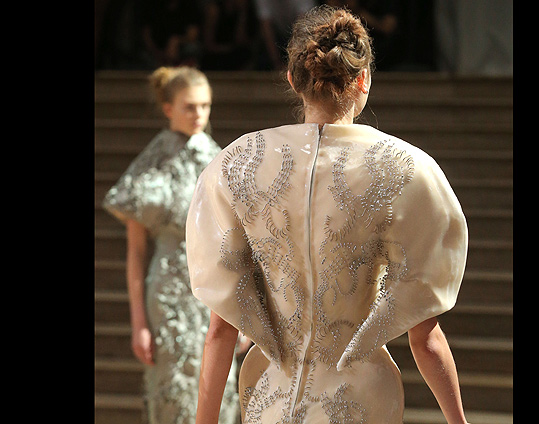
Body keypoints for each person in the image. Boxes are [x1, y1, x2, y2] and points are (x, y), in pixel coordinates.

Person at [186, 5, 470, 424]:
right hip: (359, 401)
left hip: (273, 399)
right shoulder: (406, 169)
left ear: (291, 79)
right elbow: (425, 338)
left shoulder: (237, 163)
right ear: (363, 79)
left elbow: (220, 331)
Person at [103, 66, 241, 424]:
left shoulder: (221, 161)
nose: (199, 114)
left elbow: (238, 247)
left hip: (212, 291)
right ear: (168, 109)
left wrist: (244, 315)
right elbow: (136, 252)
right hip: (167, 295)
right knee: (171, 391)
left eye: (205, 106)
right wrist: (139, 323)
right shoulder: (150, 166)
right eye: (190, 106)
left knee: (220, 390)